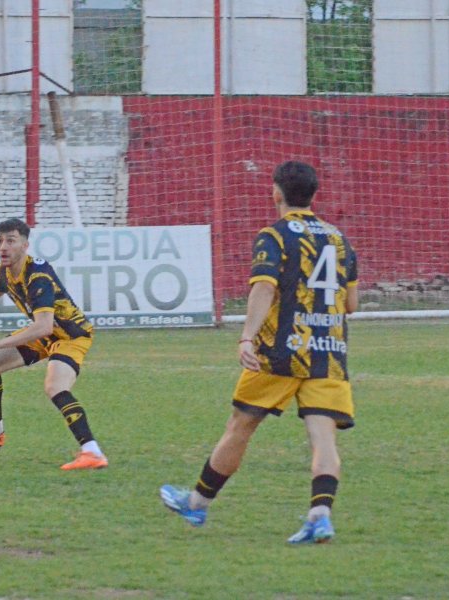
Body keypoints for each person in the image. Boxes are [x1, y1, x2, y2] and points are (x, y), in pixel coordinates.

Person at [160, 161, 359, 544]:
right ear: (314, 195)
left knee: (240, 426)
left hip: (281, 351)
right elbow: (351, 304)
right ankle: (320, 516)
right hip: (329, 352)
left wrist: (247, 337)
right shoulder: (339, 240)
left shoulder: (274, 236)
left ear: (276, 193)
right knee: (323, 439)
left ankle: (197, 504)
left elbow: (264, 289)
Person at [0, 218, 107, 470]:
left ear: (25, 245)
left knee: (55, 387)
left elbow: (43, 326)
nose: (4, 247)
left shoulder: (38, 276)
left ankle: (92, 452)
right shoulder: (5, 270)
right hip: (44, 335)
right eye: (0, 241)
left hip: (70, 335)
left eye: (11, 241)